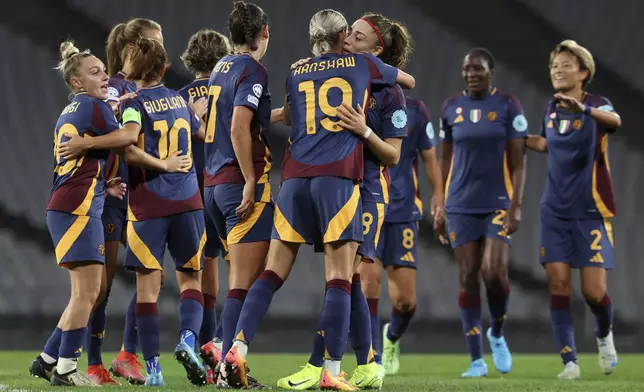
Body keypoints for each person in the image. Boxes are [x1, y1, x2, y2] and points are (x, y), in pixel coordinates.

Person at [222, 9, 415, 390]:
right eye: (351, 33)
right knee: (342, 279)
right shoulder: (365, 68)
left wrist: (258, 119)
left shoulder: (298, 68)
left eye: (360, 35)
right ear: (341, 34)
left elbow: (299, 115)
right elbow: (408, 79)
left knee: (276, 273)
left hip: (300, 179)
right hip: (341, 181)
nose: (352, 39)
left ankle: (239, 347)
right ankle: (331, 369)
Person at [28, 41, 132, 386]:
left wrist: (104, 184)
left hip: (68, 204)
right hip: (77, 209)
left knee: (83, 293)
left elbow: (79, 165)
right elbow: (127, 138)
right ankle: (66, 369)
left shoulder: (72, 110)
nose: (104, 76)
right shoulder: (95, 107)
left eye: (104, 70)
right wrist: (132, 112)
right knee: (89, 294)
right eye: (95, 72)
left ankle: (46, 359)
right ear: (76, 82)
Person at [525, 40, 621, 380]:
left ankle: (604, 336)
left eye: (565, 64)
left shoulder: (596, 106)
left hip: (591, 211)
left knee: (593, 292)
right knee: (558, 286)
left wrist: (582, 110)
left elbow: (615, 120)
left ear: (583, 72)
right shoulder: (552, 108)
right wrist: (519, 137)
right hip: (554, 212)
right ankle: (570, 362)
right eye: (554, 65)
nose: (557, 70)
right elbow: (547, 143)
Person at [435, 47, 527, 378]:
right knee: (469, 277)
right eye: (467, 69)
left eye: (478, 68)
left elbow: (518, 161)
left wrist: (516, 204)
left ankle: (497, 332)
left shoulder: (508, 105)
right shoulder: (450, 108)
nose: (471, 73)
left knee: (494, 273)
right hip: (460, 203)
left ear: (491, 72)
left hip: (497, 203)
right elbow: (444, 159)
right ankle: (476, 359)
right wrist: (440, 202)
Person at [197, 3, 275, 389]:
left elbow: (230, 117)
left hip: (212, 184)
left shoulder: (221, 68)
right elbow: (239, 125)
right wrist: (249, 179)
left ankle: (225, 363)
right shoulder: (253, 69)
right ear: (265, 32)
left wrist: (277, 115)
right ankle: (228, 365)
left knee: (240, 280)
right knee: (248, 283)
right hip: (238, 184)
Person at [99, 17, 163, 386]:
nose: (162, 51)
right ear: (135, 49)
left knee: (150, 280)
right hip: (114, 196)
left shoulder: (144, 90)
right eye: (156, 44)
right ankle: (85, 359)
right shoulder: (116, 88)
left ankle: (126, 355)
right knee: (101, 286)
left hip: (137, 194)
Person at [178, 28, 231, 384]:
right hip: (224, 189)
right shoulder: (229, 90)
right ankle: (218, 350)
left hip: (187, 195)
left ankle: (200, 348)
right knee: (240, 278)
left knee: (196, 278)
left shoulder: (177, 98)